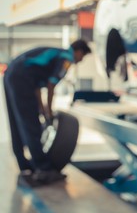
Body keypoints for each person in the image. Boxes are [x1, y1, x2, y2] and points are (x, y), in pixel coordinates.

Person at [3, 39, 91, 187]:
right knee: (31, 125)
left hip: (11, 74)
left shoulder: (56, 53)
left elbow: (37, 86)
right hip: (21, 78)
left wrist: (42, 109)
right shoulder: (66, 58)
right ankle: (43, 168)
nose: (81, 61)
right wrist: (49, 112)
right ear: (79, 52)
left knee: (17, 123)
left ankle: (25, 166)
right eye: (83, 57)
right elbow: (51, 85)